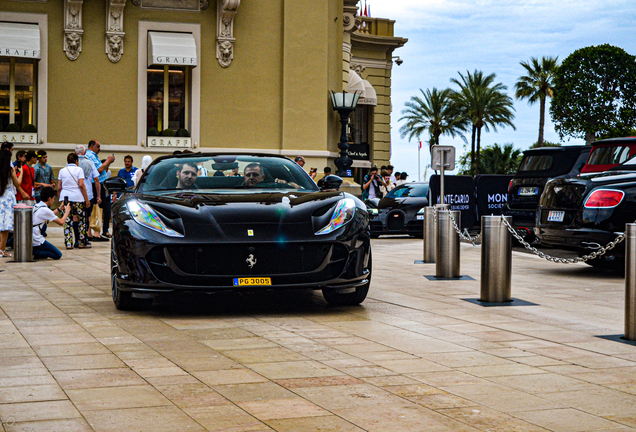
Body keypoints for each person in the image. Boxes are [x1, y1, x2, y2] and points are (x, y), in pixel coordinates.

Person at [58, 152, 90, 250]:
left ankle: (68, 243)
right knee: (81, 221)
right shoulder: (79, 170)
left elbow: (59, 186)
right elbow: (81, 185)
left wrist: (60, 198)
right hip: (78, 198)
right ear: (76, 161)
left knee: (67, 221)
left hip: (66, 198)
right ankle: (81, 242)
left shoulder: (62, 171)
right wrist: (87, 199)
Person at [32, 186, 72, 260]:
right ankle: (35, 252)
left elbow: (50, 215)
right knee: (58, 254)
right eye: (53, 198)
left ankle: (37, 251)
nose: (53, 201)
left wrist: (60, 208)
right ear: (49, 198)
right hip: (37, 239)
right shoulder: (45, 210)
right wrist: (67, 212)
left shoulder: (36, 206)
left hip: (31, 237)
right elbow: (61, 222)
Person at [86, 140, 115, 240]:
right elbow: (99, 170)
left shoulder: (91, 155)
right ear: (92, 146)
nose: (99, 149)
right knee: (96, 209)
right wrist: (108, 161)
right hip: (96, 185)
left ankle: (92, 233)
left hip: (96, 184)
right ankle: (95, 233)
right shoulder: (91, 155)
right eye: (98, 146)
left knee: (96, 209)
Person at [76, 145, 101, 245]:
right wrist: (98, 195)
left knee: (76, 217)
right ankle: (84, 237)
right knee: (86, 216)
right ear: (85, 152)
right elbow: (96, 180)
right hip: (88, 194)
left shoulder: (72, 163)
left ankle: (77, 237)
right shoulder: (90, 163)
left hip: (76, 194)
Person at [0, 149, 22, 257]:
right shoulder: (10, 170)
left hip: (0, 197)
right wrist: (20, 174)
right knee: (6, 225)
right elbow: (17, 184)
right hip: (8, 197)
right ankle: (2, 249)